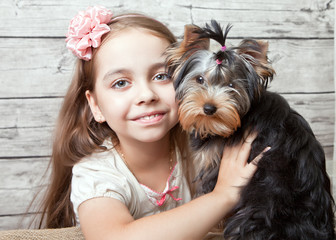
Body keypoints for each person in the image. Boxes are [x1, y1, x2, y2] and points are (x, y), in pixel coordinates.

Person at [37, 6, 263, 239]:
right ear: (95, 106)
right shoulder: (96, 174)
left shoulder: (202, 147)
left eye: (162, 76)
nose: (147, 94)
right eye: (121, 83)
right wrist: (223, 195)